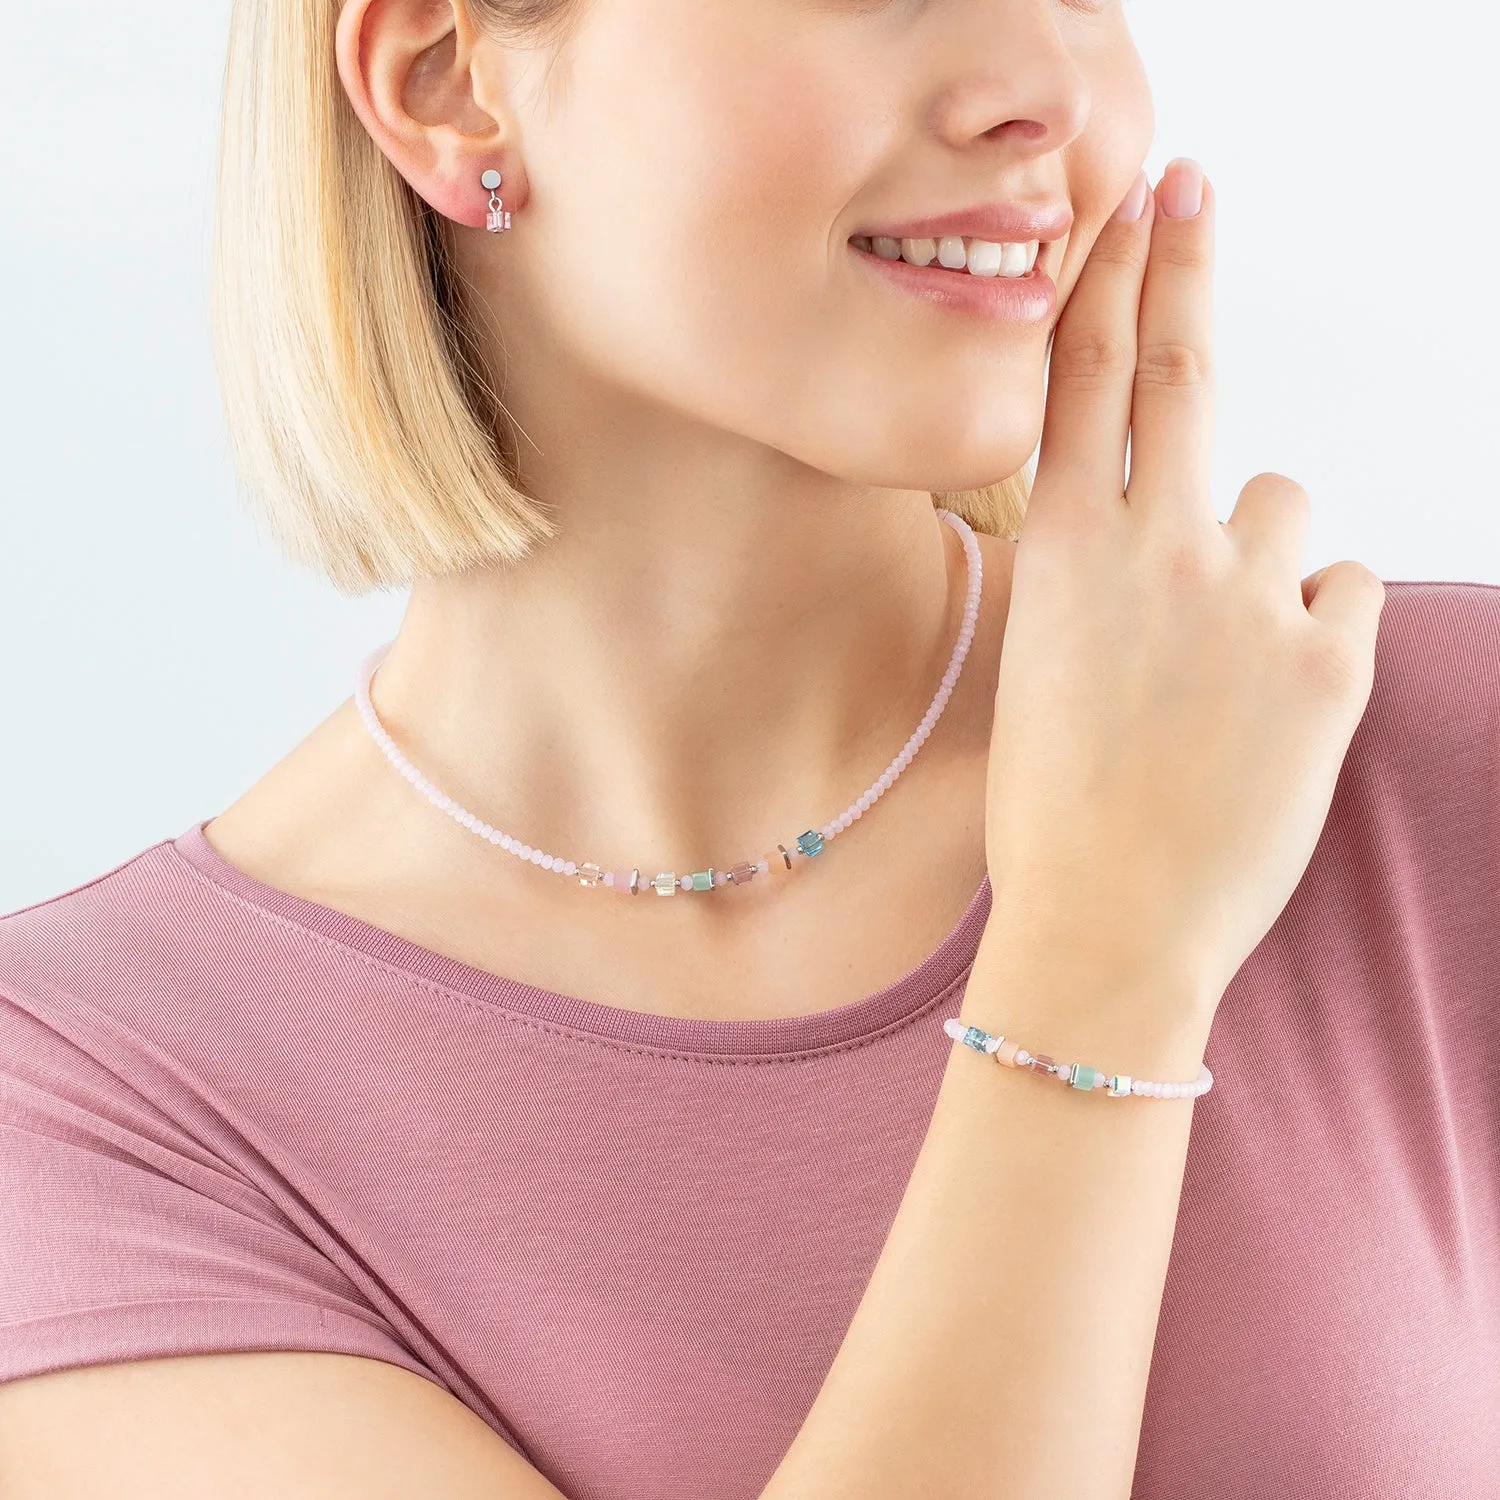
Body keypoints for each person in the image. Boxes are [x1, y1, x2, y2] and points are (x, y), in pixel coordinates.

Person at [1, 0, 1496, 1496]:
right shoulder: (89, 1107)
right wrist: (1099, 965)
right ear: (445, 81)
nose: (1045, 89)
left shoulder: (1424, 754)